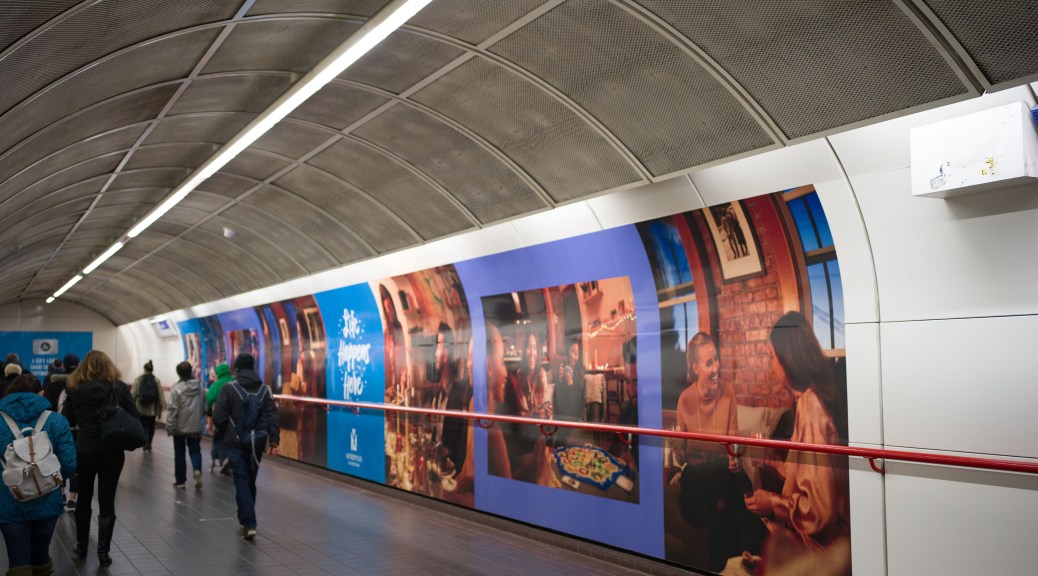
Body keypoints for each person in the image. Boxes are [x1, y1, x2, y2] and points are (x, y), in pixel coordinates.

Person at [744, 312, 850, 552]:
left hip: (820, 547)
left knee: (735, 525)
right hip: (821, 536)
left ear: (787, 359)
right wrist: (770, 460)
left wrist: (773, 502)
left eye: (772, 357)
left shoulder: (811, 406)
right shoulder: (813, 398)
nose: (771, 365)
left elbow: (820, 510)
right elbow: (808, 476)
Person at [675, 332, 762, 572]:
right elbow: (681, 454)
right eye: (708, 363)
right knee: (725, 495)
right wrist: (677, 448)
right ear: (695, 368)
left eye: (716, 360)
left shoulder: (728, 392)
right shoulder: (684, 399)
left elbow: (734, 442)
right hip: (697, 476)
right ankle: (741, 559)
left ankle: (733, 563)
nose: (716, 368)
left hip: (723, 474)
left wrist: (735, 458)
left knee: (737, 484)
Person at [61, 350, 138, 567]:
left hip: (84, 450)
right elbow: (134, 414)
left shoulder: (74, 388)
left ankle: (82, 545)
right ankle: (103, 552)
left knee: (83, 498)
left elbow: (67, 419)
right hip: (111, 450)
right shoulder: (117, 387)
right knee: (107, 500)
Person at [0, 375, 76, 576]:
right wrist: (49, 477)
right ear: (41, 393)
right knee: (40, 556)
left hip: (7, 503)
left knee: (18, 560)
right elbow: (69, 463)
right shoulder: (57, 421)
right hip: (47, 501)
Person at [213, 353, 279, 541]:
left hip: (235, 443)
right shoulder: (265, 390)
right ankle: (246, 519)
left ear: (236, 369)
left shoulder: (229, 388)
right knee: (250, 480)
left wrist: (223, 434)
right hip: (256, 443)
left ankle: (248, 523)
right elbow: (272, 416)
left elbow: (219, 417)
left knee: (241, 480)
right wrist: (274, 441)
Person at [43, 354, 79, 514]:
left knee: (58, 460)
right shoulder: (82, 382)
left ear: (63, 365)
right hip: (78, 430)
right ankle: (72, 499)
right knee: (76, 464)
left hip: (57, 428)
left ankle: (61, 494)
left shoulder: (53, 382)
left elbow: (47, 405)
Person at [166, 361, 204, 490]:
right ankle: (197, 470)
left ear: (178, 373)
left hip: (179, 428)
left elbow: (172, 409)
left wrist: (169, 426)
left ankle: (180, 481)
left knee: (179, 453)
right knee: (195, 450)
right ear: (191, 371)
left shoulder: (176, 388)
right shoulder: (199, 386)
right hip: (195, 426)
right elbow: (204, 405)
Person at [132, 360, 165, 451]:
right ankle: (149, 442)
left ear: (144, 369)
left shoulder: (138, 379)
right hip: (153, 408)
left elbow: (133, 394)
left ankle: (144, 441)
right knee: (151, 426)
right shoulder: (156, 380)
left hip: (141, 407)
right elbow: (160, 394)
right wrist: (163, 404)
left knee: (143, 425)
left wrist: (131, 405)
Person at [205, 362, 232, 473]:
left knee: (218, 438)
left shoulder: (216, 385)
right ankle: (224, 460)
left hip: (220, 417)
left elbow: (209, 401)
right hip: (234, 419)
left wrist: (209, 420)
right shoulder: (235, 382)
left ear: (218, 373)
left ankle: (223, 459)